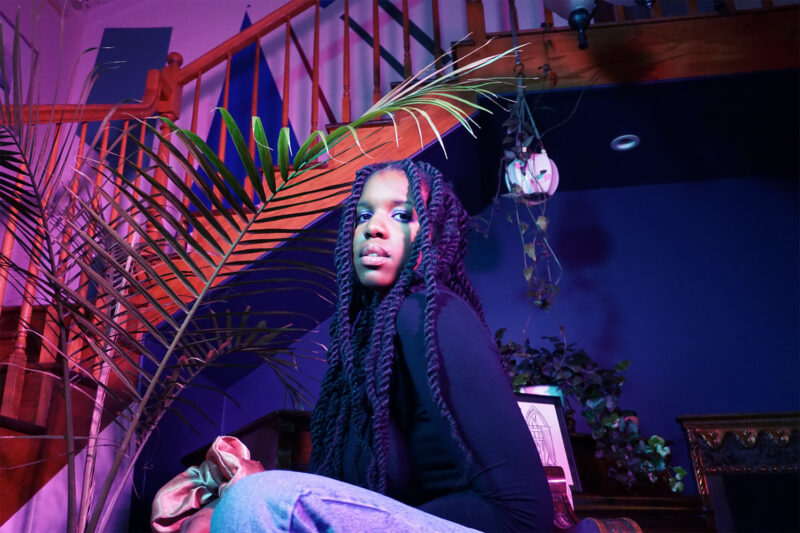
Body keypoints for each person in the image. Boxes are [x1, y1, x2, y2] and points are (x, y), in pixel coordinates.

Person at [210, 160, 553, 532]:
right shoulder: (370, 338)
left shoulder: (432, 312)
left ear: (434, 238)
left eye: (403, 214)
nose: (373, 228)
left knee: (254, 498)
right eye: (363, 216)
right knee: (224, 508)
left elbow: (524, 512)